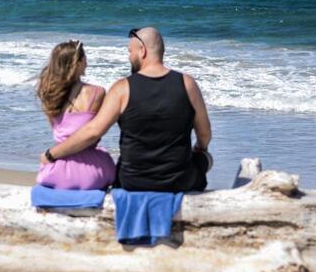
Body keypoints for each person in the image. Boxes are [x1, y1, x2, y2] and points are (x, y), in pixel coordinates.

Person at [41, 28, 212, 193]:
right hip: (180, 181)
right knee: (204, 158)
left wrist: (51, 154)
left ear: (142, 51)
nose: (129, 57)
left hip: (132, 182)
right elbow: (205, 135)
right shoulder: (187, 83)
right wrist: (199, 148)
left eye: (130, 52)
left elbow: (93, 132)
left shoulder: (121, 89)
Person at [36, 40, 116, 190]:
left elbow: (60, 132)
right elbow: (93, 135)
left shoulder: (49, 95)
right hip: (91, 169)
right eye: (84, 59)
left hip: (55, 170)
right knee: (110, 168)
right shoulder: (96, 92)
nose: (87, 63)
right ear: (77, 63)